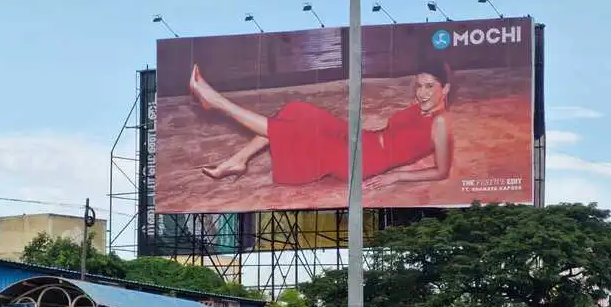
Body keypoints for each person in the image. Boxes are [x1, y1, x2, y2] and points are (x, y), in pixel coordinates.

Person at [189, 62, 453, 188]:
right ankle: (238, 160)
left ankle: (217, 101)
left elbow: (441, 171)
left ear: (446, 89)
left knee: (295, 132)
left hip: (363, 160)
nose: (422, 93)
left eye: (430, 86)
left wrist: (397, 176)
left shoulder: (440, 124)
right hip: (362, 139)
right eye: (419, 86)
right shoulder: (421, 109)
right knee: (297, 111)